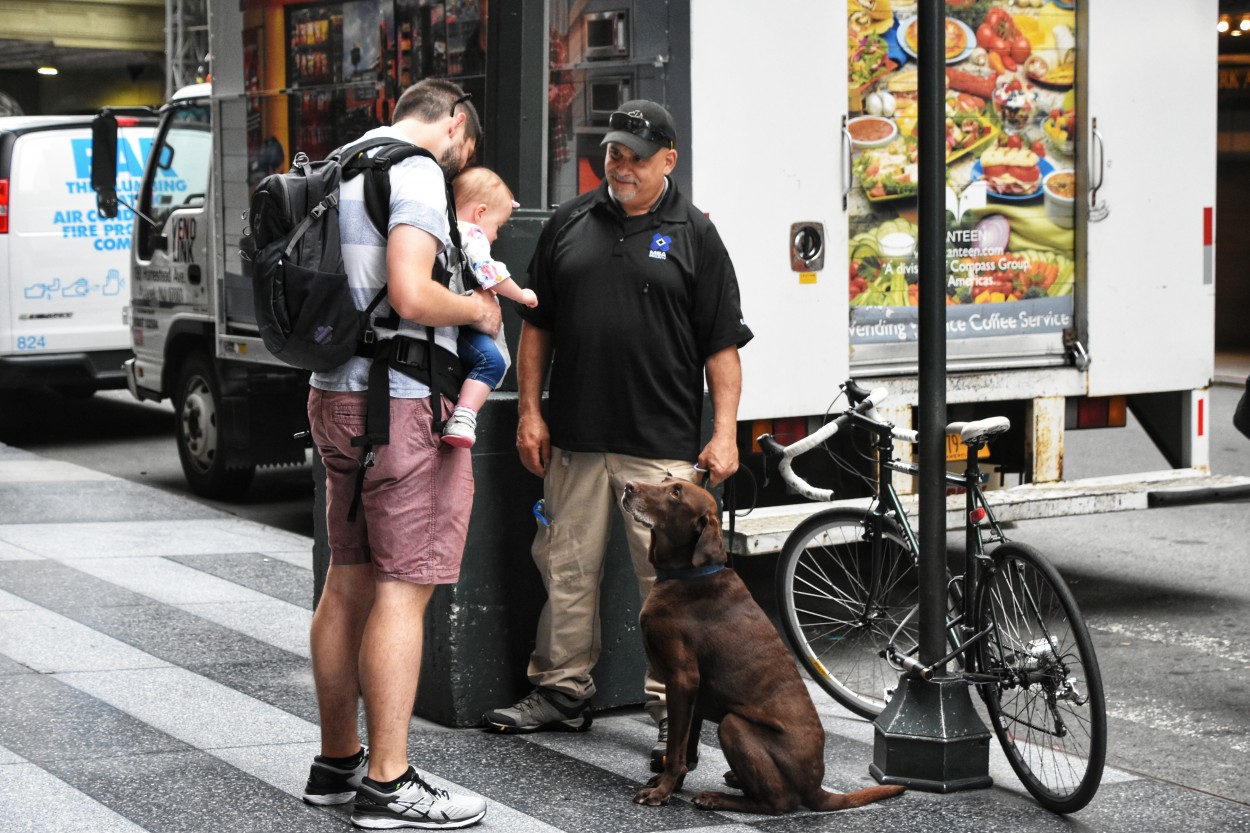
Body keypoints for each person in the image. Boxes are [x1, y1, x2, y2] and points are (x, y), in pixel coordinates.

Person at [482, 100, 754, 772]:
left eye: (635, 154)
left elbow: (723, 347)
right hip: (575, 436)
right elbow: (536, 326)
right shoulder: (571, 222)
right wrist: (530, 412)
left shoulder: (696, 235)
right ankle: (561, 689)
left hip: (662, 447)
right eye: (612, 152)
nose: (620, 165)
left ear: (669, 159)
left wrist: (725, 433)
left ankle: (671, 711)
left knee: (665, 587)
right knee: (566, 567)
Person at [302, 78, 499, 830]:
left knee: (346, 582)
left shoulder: (344, 161)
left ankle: (338, 761)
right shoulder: (414, 171)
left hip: (334, 396)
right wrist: (477, 308)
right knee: (404, 588)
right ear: (452, 120)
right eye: (465, 150)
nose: (458, 164)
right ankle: (389, 782)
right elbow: (414, 294)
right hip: (402, 405)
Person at [442, 166, 537, 448]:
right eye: (497, 226)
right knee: (491, 361)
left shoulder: (445, 231)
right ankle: (464, 416)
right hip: (462, 325)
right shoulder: (470, 234)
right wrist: (521, 295)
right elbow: (490, 273)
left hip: (450, 325)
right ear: (480, 213)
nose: (495, 235)